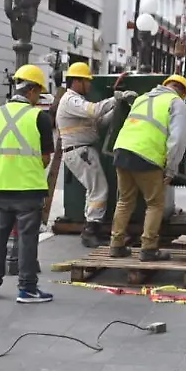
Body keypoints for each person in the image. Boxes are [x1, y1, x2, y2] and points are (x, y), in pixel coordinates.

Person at [0, 64, 55, 304]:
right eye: (39, 93)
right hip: (28, 189)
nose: (38, 98)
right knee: (27, 238)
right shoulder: (39, 117)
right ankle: (27, 289)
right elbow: (46, 157)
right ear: (32, 90)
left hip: (1, 185)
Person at [107, 74, 186, 261]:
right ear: (182, 91)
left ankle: (116, 244)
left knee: (125, 200)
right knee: (154, 203)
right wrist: (171, 167)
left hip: (122, 150)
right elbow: (177, 139)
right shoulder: (176, 102)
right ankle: (149, 248)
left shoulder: (142, 98)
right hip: (147, 155)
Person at [55, 62, 136, 248]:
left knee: (95, 190)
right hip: (80, 151)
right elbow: (95, 110)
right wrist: (116, 99)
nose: (90, 85)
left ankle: (92, 228)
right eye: (87, 81)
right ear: (77, 81)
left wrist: (118, 108)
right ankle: (91, 231)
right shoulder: (70, 100)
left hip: (82, 151)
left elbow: (99, 122)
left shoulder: (75, 101)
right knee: (99, 190)